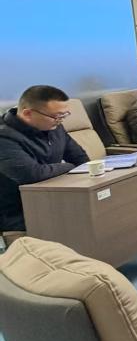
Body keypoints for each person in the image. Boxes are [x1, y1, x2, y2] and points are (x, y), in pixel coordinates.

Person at [0, 86, 90, 237]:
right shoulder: (4, 137)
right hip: (18, 211)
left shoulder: (54, 127)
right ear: (28, 114)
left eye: (64, 115)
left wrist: (70, 166)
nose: (60, 120)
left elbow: (81, 159)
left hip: (54, 197)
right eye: (56, 116)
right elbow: (32, 174)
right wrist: (68, 166)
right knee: (80, 219)